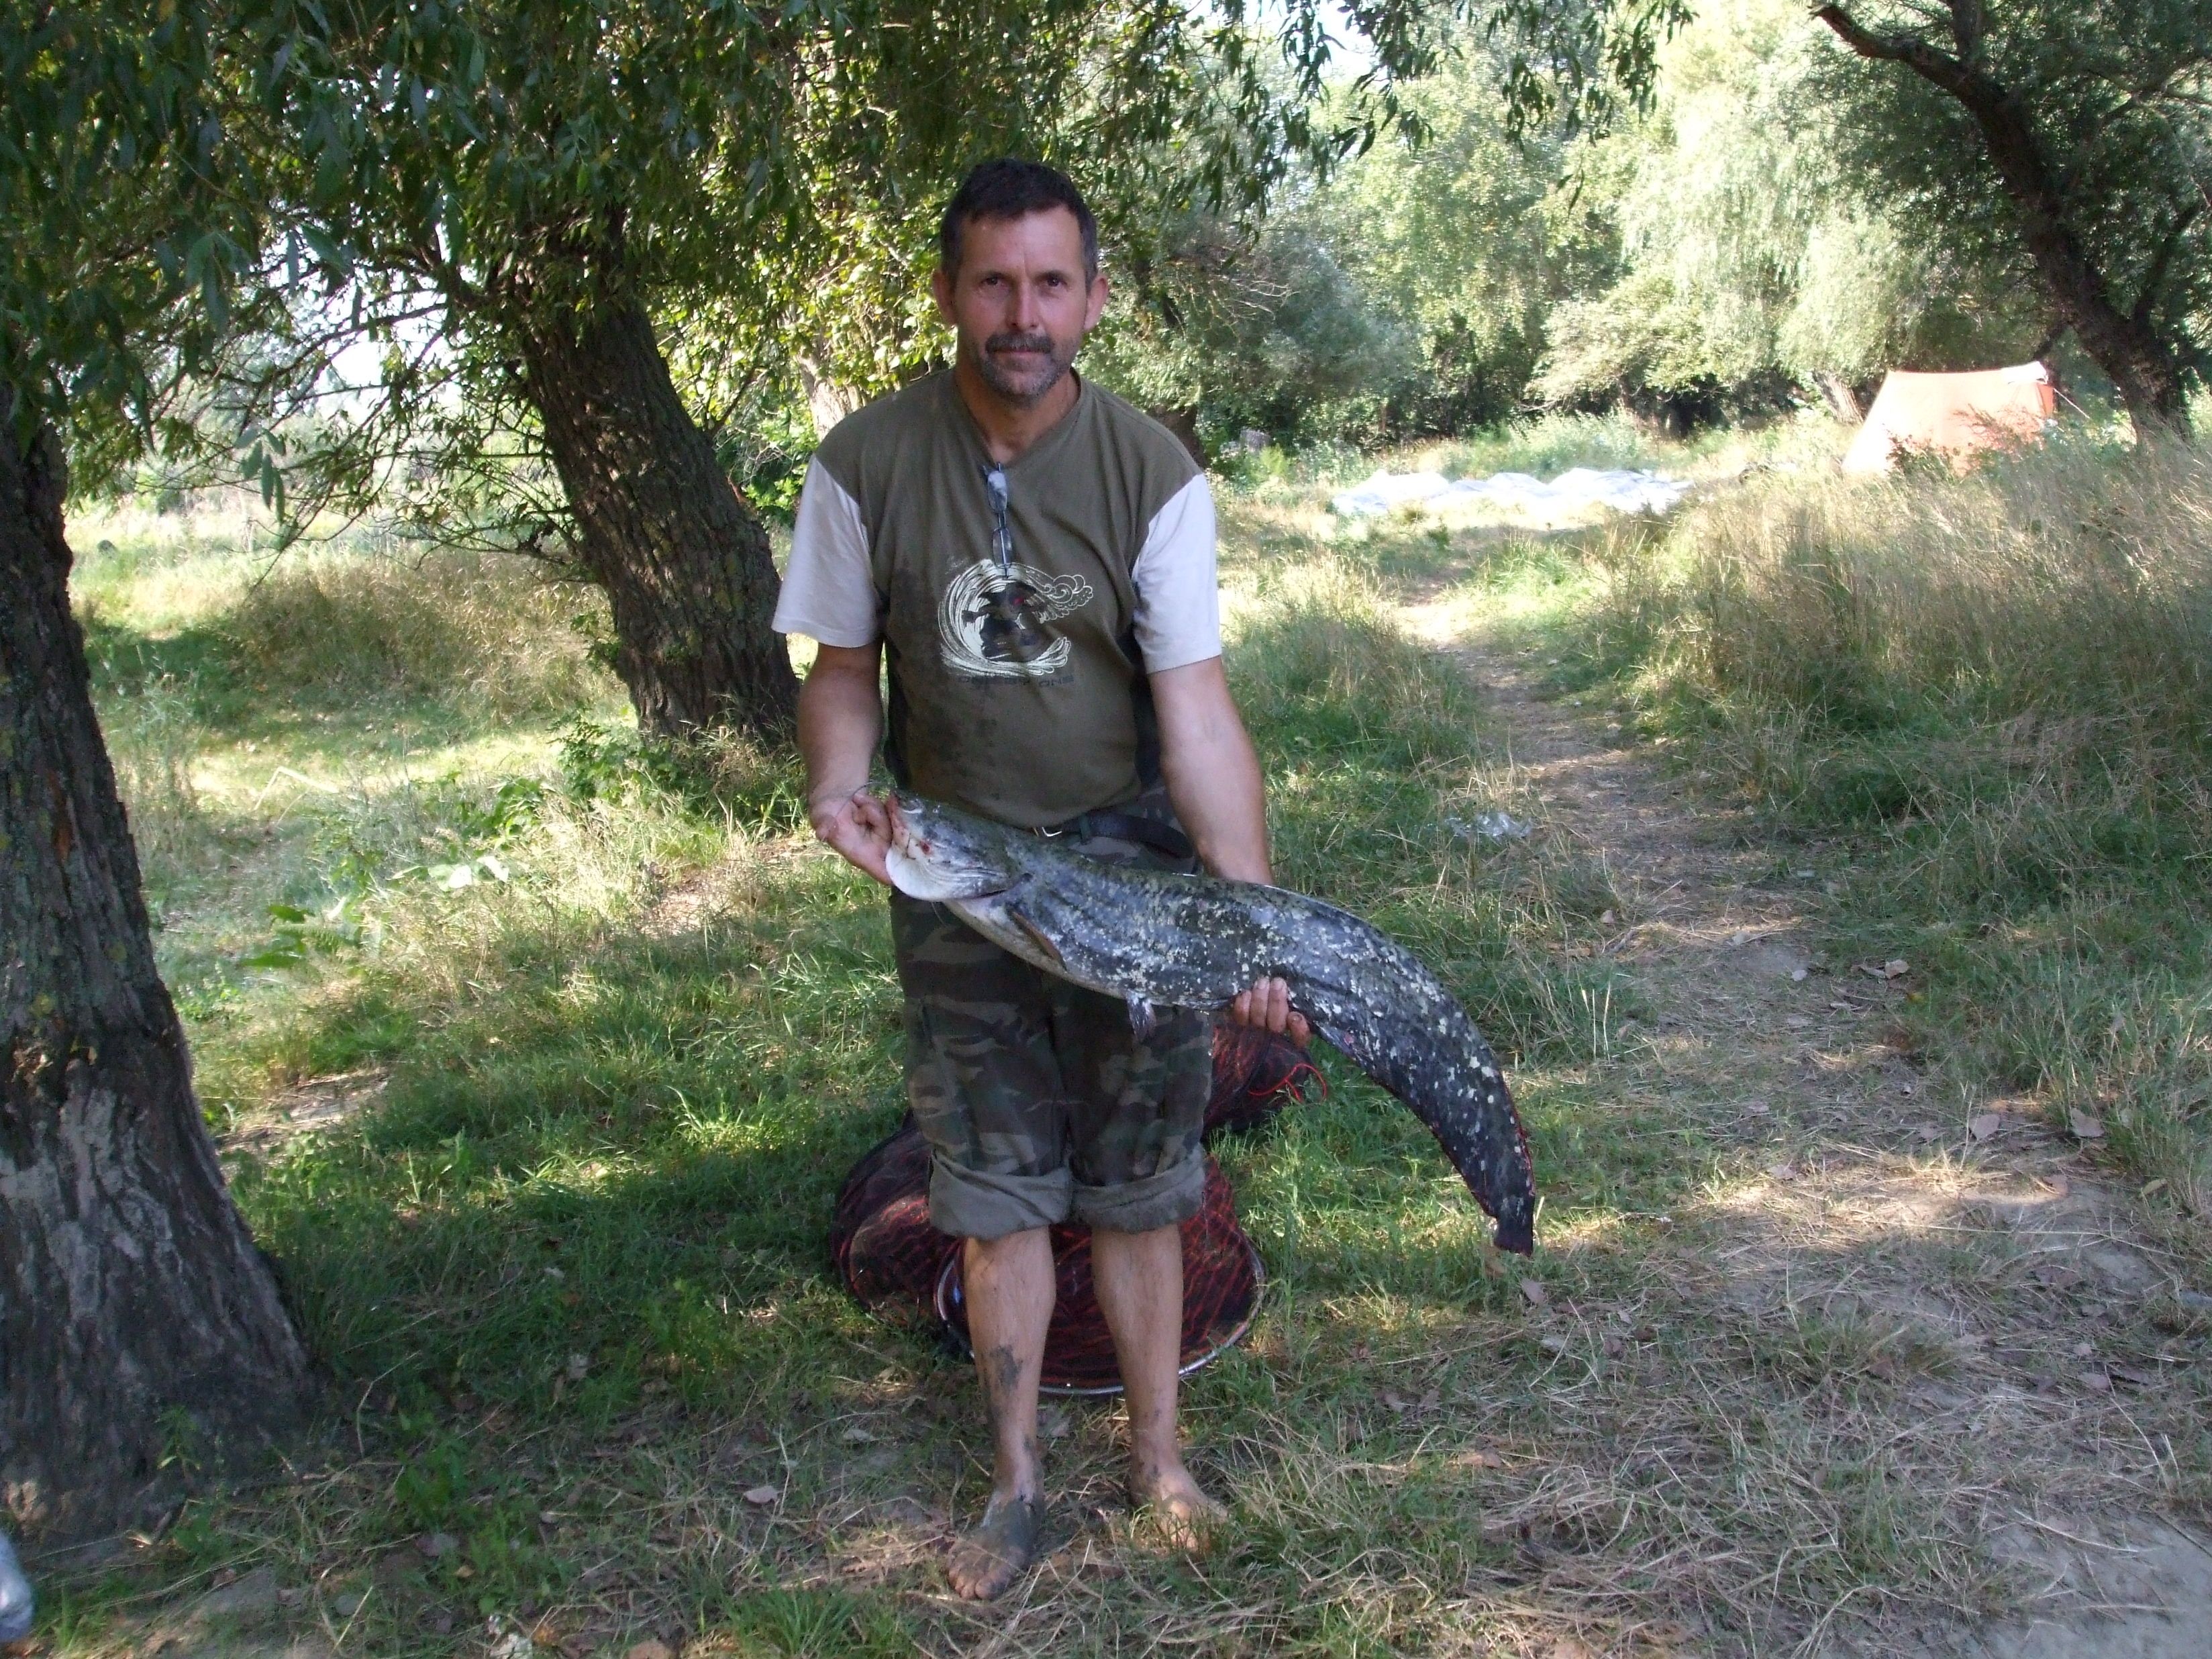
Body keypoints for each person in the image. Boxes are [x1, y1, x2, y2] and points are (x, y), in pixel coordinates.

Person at [776, 158, 1305, 1600]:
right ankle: (1015, 1486)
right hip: (954, 871)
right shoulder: (863, 465)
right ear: (950, 293)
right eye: (996, 283)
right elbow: (840, 672)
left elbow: (1197, 711)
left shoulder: (1152, 473)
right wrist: (836, 788)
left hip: (1128, 873)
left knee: (1141, 1182)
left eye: (1051, 284)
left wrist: (1247, 918)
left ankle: (1159, 1462)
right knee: (991, 1189)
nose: (1025, 314)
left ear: (1094, 299)